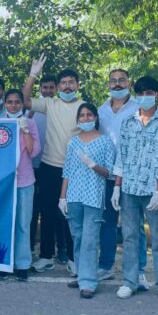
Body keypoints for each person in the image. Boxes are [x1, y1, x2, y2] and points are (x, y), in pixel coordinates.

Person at [111, 76, 158, 302]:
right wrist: (117, 187)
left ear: (156, 94)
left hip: (153, 189)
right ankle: (130, 281)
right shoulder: (128, 122)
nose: (144, 97)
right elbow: (122, 155)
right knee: (130, 237)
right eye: (140, 93)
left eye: (149, 93)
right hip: (129, 188)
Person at [23, 55, 83, 273]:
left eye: (71, 82)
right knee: (48, 213)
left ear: (77, 85)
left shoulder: (85, 107)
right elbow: (25, 100)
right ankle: (46, 256)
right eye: (64, 83)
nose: (67, 86)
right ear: (58, 87)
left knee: (72, 213)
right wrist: (33, 74)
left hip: (76, 170)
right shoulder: (50, 103)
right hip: (49, 166)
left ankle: (74, 258)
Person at [96, 69, 148, 286]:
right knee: (106, 223)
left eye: (121, 80)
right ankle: (106, 266)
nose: (117, 84)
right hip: (106, 174)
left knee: (134, 225)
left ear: (129, 82)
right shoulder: (100, 110)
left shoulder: (140, 108)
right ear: (108, 84)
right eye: (113, 81)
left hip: (131, 175)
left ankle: (139, 269)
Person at [59, 103, 114, 298]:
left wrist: (93, 165)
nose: (85, 118)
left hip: (93, 197)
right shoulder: (73, 142)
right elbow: (67, 171)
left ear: (96, 117)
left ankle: (89, 282)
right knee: (78, 237)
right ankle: (82, 274)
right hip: (74, 196)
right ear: (77, 120)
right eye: (82, 115)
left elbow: (109, 173)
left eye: (89, 115)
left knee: (91, 239)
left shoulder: (106, 142)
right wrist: (62, 197)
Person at [5, 90, 40, 282]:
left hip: (25, 181)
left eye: (17, 102)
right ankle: (3, 262)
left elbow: (33, 151)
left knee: (23, 224)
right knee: (4, 223)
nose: (13, 105)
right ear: (5, 104)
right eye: (9, 102)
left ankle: (22, 264)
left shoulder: (31, 123)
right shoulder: (0, 122)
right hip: (3, 183)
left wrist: (25, 130)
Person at [29, 75, 55, 254]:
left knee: (51, 211)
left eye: (51, 88)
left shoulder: (60, 107)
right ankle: (29, 248)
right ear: (40, 89)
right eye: (44, 87)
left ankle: (53, 251)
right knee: (31, 211)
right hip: (30, 167)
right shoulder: (31, 109)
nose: (47, 91)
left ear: (56, 89)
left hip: (51, 165)